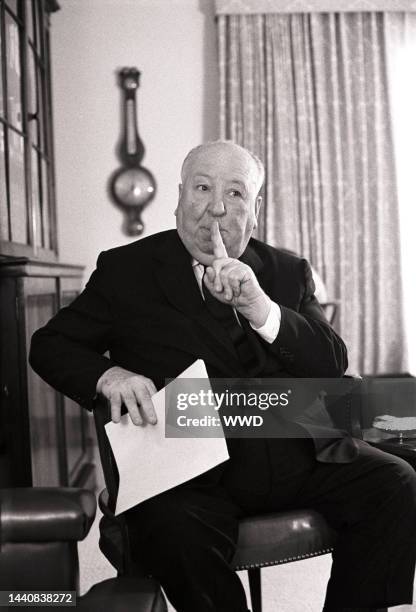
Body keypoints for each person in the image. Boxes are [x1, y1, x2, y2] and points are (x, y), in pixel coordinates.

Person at [30, 140, 416, 612]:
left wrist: (262, 309)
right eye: (203, 188)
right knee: (171, 528)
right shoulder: (124, 270)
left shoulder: (286, 271)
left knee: (396, 481)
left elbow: (331, 362)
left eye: (235, 194)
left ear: (256, 211)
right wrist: (108, 374)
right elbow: (50, 345)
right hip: (188, 470)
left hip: (293, 451)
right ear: (178, 198)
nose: (216, 207)